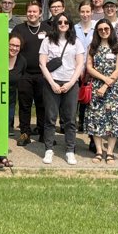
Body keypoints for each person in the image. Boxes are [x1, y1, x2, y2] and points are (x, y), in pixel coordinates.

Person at [38, 13, 85, 166]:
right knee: (50, 118)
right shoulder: (47, 41)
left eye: (66, 22)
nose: (63, 24)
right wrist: (52, 83)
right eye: (60, 22)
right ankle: (49, 149)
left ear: (70, 24)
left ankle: (70, 150)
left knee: (70, 120)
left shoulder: (76, 42)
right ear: (55, 24)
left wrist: (71, 83)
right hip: (52, 83)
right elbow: (42, 64)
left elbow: (80, 65)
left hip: (70, 83)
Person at [85, 19, 118, 164]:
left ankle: (110, 152)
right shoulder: (92, 47)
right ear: (97, 31)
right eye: (100, 29)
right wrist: (103, 80)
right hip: (97, 86)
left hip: (113, 89)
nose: (104, 31)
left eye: (106, 29)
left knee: (113, 119)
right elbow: (89, 68)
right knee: (96, 119)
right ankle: (98, 151)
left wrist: (106, 84)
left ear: (111, 30)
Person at [11, 0, 49, 147]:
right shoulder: (19, 29)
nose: (31, 14)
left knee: (42, 104)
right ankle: (25, 133)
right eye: (29, 11)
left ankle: (43, 133)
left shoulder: (47, 29)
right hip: (24, 74)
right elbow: (13, 50)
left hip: (42, 73)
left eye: (34, 11)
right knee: (25, 105)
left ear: (40, 13)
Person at [6, 35, 26, 139]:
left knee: (9, 118)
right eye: (12, 45)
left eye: (17, 46)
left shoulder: (22, 61)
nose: (14, 48)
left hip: (11, 95)